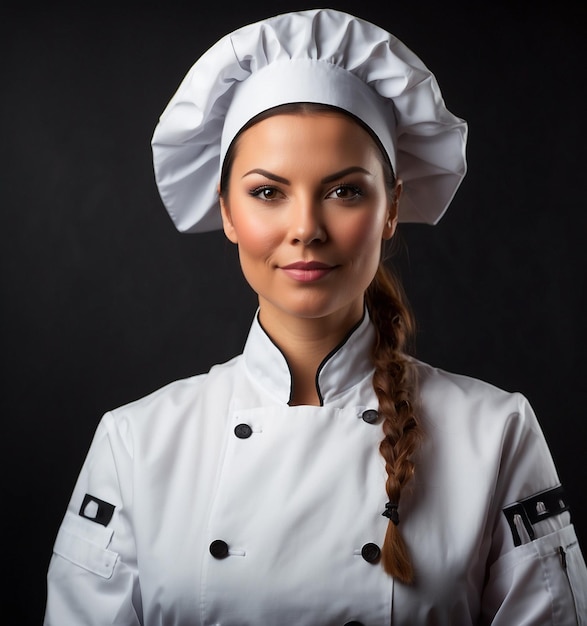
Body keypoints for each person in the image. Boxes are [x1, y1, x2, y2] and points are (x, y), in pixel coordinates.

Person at [43, 8, 587, 625]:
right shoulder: (136, 445)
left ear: (391, 208)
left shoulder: (495, 434)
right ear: (226, 211)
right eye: (267, 192)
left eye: (344, 190)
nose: (305, 229)